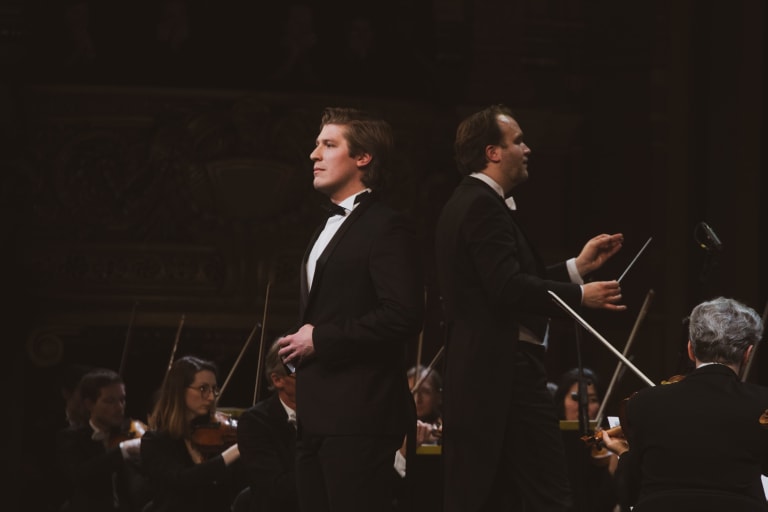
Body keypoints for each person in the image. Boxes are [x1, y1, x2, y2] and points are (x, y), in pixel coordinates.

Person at [434, 103, 627, 512]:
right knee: (547, 490)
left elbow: (504, 280)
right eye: (518, 141)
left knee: (496, 491)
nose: (528, 149)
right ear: (492, 152)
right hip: (505, 370)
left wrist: (578, 268)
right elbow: (507, 288)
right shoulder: (482, 205)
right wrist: (580, 297)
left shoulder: (470, 201)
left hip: (488, 371)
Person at [278, 106, 424, 512]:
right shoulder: (325, 226)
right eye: (316, 144)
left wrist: (320, 338)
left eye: (328, 145)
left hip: (361, 415)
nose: (314, 154)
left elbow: (405, 313)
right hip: (315, 415)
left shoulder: (387, 226)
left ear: (363, 158)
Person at [601, 297, 768, 511]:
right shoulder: (762, 403)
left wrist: (624, 452)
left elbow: (629, 493)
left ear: (690, 349)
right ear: (747, 354)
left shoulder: (643, 403)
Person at [141, 355, 241, 512]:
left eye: (214, 389)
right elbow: (182, 480)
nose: (211, 397)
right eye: (203, 389)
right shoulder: (155, 441)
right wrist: (236, 449)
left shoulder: (217, 436)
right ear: (179, 390)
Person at [56, 368, 150, 512]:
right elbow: (80, 476)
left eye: (122, 400)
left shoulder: (131, 430)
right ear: (90, 404)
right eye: (110, 401)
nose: (119, 407)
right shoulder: (71, 438)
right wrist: (123, 450)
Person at [237, 338, 299, 512]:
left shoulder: (324, 415)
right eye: (300, 374)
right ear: (278, 380)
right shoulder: (255, 422)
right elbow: (275, 488)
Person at [554, 368, 620, 512]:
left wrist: (612, 471)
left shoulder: (603, 446)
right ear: (561, 401)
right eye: (575, 397)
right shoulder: (551, 445)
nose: (584, 407)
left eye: (592, 400)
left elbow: (602, 504)